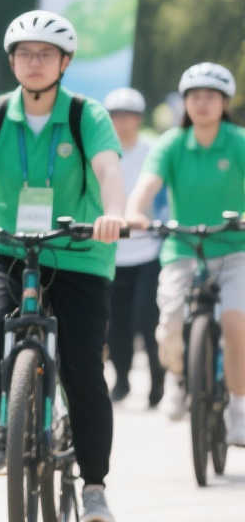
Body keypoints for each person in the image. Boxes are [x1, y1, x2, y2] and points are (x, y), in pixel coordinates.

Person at [0, 10, 127, 522]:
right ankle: (3, 422)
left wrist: (114, 215)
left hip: (79, 253)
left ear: (65, 62)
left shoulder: (87, 115)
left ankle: (94, 487)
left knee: (82, 369)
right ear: (11, 61)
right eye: (24, 53)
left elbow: (108, 169)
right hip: (10, 249)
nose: (34, 62)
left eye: (45, 54)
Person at [127, 63, 245, 443]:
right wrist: (135, 213)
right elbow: (147, 186)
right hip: (183, 248)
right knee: (170, 323)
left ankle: (239, 407)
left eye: (211, 96)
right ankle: (178, 377)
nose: (202, 103)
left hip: (235, 248)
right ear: (185, 103)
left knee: (236, 324)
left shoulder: (238, 141)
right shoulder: (172, 144)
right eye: (194, 96)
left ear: (224, 102)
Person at [101, 87, 165, 407]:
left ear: (139, 118)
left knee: (147, 319)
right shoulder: (101, 153)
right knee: (116, 323)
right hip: (112, 251)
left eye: (128, 115)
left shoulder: (154, 150)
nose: (122, 121)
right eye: (115, 115)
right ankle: (122, 380)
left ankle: (157, 381)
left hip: (149, 249)